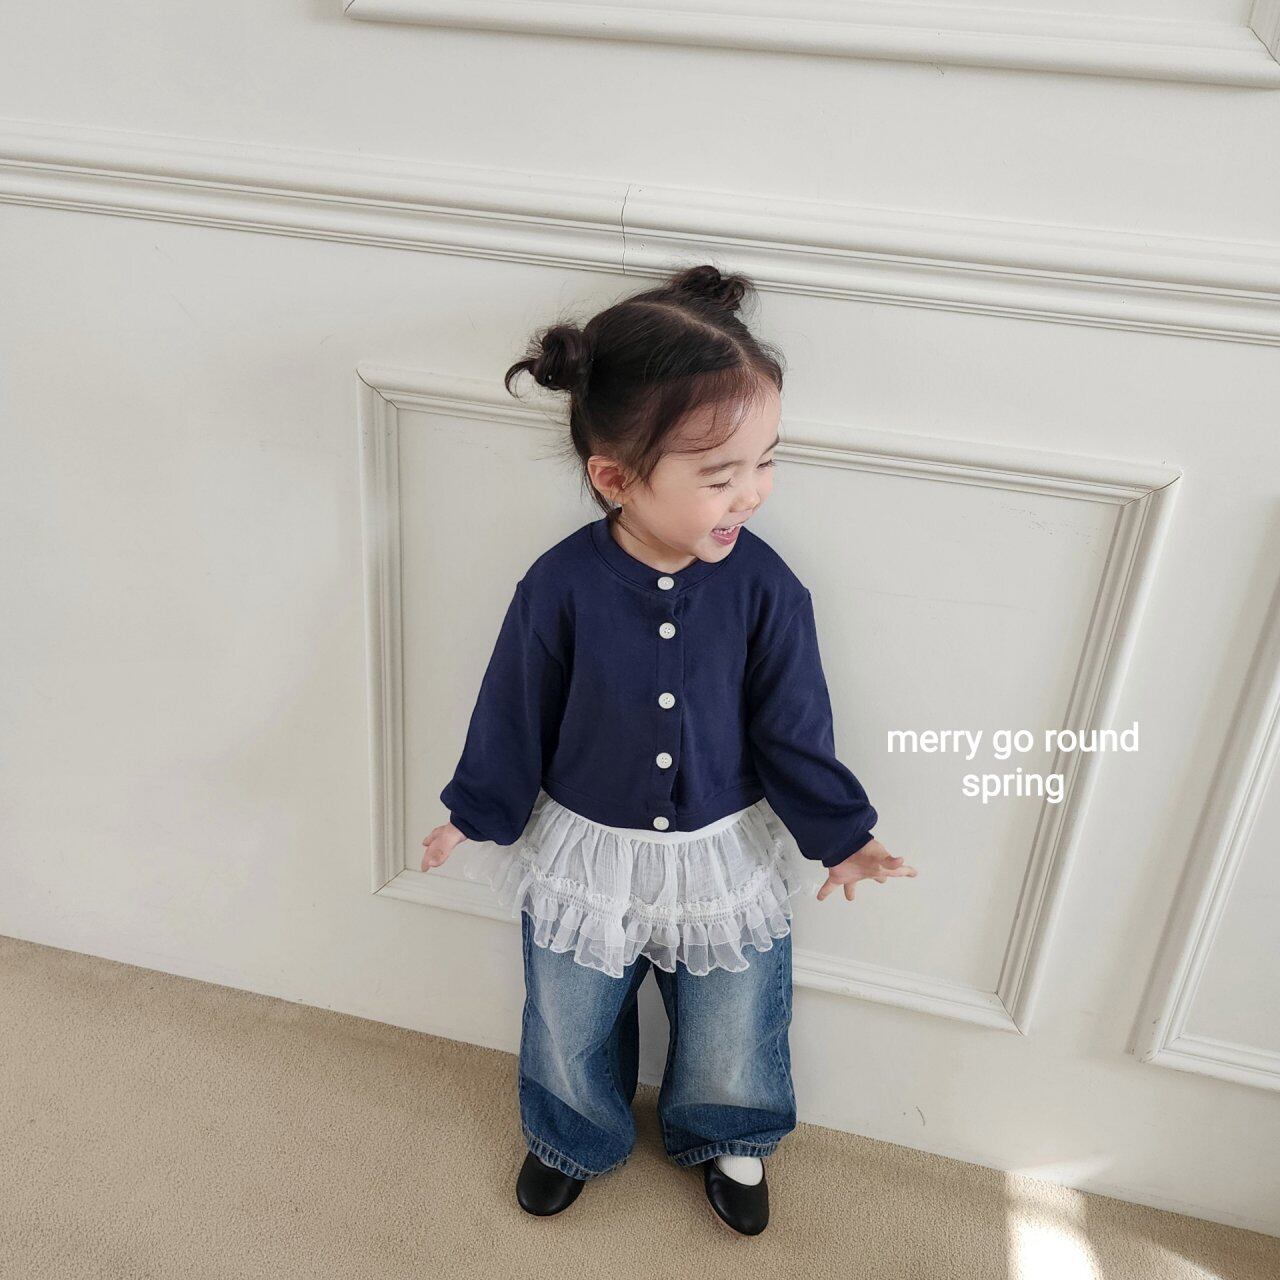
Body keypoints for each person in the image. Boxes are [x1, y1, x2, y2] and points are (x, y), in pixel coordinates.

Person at [420, 263, 918, 1236]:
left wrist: (842, 835)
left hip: (719, 852)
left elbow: (793, 728)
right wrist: (472, 813)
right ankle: (571, 1132)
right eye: (720, 476)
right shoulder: (558, 586)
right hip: (587, 851)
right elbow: (513, 709)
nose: (751, 495)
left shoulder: (767, 589)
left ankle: (730, 1131)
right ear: (615, 477)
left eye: (764, 463)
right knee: (568, 1012)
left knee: (735, 1011)